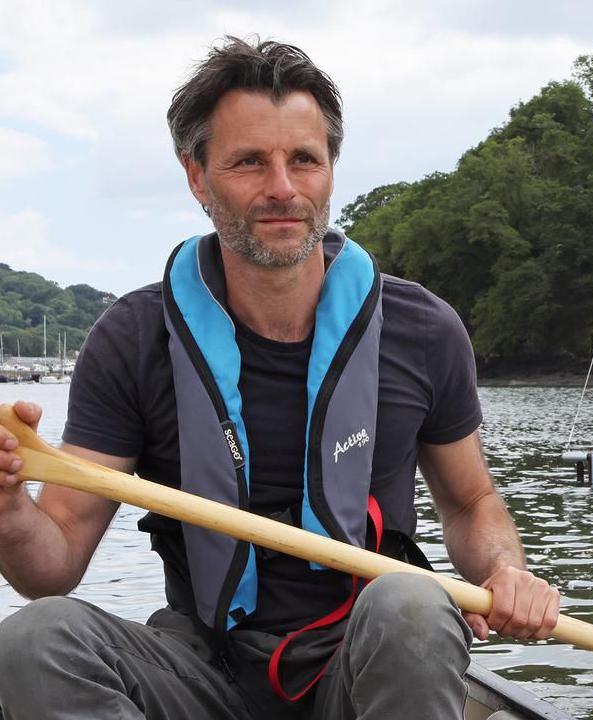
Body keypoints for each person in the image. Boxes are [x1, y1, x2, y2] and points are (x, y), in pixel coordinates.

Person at [0, 36, 559, 720]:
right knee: (34, 639)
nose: (283, 189)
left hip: (364, 658)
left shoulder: (423, 329)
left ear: (330, 170)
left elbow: (471, 505)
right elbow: (48, 567)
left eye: (304, 160)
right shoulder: (133, 337)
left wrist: (506, 570)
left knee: (414, 602)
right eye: (248, 163)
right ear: (197, 177)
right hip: (203, 665)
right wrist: (6, 508)